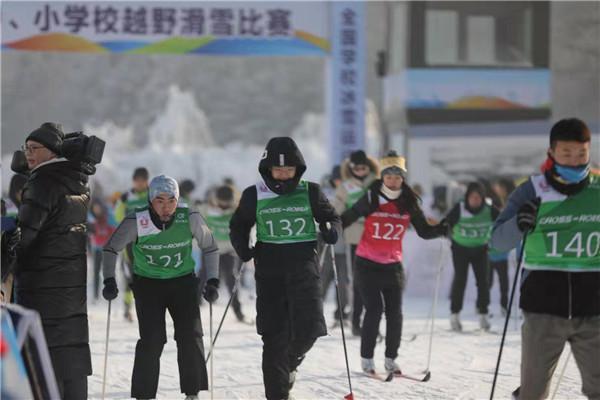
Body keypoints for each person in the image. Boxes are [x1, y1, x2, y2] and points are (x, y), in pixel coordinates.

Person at [490, 118, 600, 400]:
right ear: (551, 153)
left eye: (582, 154)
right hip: (543, 308)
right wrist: (519, 222)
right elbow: (497, 241)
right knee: (533, 392)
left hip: (594, 307)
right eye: (567, 154)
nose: (575, 162)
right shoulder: (532, 190)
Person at [229, 137, 341, 400]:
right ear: (267, 169)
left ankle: (289, 363)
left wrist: (331, 231)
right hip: (270, 272)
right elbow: (239, 225)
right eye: (277, 170)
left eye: (288, 170)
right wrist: (243, 248)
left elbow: (332, 217)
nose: (282, 175)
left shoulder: (310, 192)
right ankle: (277, 391)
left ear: (297, 170)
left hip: (304, 268)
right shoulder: (253, 194)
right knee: (274, 337)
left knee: (311, 328)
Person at [102, 175, 219, 400]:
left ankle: (192, 393)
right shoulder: (137, 220)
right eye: (160, 201)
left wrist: (212, 280)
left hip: (182, 282)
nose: (166, 207)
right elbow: (111, 248)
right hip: (148, 285)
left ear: (178, 200)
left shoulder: (190, 217)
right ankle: (144, 395)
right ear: (150, 200)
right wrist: (109, 279)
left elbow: (210, 248)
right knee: (152, 340)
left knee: (190, 335)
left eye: (171, 201)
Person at [341, 151, 448, 375]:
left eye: (397, 176)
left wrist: (441, 229)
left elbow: (424, 231)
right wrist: (332, 227)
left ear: (403, 178)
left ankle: (390, 359)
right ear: (383, 177)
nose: (392, 180)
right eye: (388, 176)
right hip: (367, 263)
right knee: (374, 309)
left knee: (395, 313)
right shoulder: (372, 197)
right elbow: (349, 216)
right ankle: (367, 359)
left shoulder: (408, 202)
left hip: (392, 266)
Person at [13, 122, 92, 399]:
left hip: (42, 285)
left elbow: (24, 238)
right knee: (70, 354)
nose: (29, 154)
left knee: (42, 360)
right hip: (71, 285)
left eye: (35, 148)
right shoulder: (77, 180)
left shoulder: (42, 182)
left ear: (51, 152)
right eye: (26, 148)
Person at [333, 150, 380, 336]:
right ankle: (356, 320)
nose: (360, 171)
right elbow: (337, 208)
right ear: (351, 169)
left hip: (376, 238)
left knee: (375, 282)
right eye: (357, 168)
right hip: (354, 239)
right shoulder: (346, 186)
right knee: (359, 282)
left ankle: (372, 321)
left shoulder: (376, 184)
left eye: (364, 168)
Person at [444, 181, 500, 331]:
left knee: (483, 281)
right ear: (467, 197)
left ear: (482, 198)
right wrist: (444, 229)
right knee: (460, 279)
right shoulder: (460, 208)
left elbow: (502, 221)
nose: (475, 200)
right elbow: (447, 222)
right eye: (472, 197)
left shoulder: (489, 209)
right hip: (460, 248)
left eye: (478, 198)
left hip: (481, 249)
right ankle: (455, 314)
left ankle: (483, 314)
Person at [200, 183, 248, 322]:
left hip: (229, 250)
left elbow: (245, 225)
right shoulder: (207, 208)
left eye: (226, 203)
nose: (223, 206)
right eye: (221, 203)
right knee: (203, 277)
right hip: (211, 250)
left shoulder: (236, 210)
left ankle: (238, 312)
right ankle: (193, 310)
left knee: (231, 279)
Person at [115, 167, 149, 321]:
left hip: (149, 241)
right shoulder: (126, 197)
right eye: (137, 181)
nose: (140, 184)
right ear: (133, 181)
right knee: (130, 276)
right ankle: (128, 308)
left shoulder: (152, 194)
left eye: (143, 181)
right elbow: (118, 217)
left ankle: (149, 306)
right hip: (130, 241)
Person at [319, 165, 351, 325]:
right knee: (322, 280)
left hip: (343, 247)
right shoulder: (326, 193)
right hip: (326, 246)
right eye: (337, 180)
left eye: (342, 180)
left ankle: (341, 314)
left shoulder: (349, 193)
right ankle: (316, 312)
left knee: (343, 283)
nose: (340, 182)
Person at [487, 178, 516, 316]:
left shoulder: (504, 216)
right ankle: (483, 307)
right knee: (488, 283)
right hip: (489, 255)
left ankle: (504, 307)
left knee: (504, 284)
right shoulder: (489, 218)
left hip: (502, 255)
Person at [88, 199, 116, 301]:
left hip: (107, 250)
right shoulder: (91, 218)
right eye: (95, 208)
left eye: (98, 208)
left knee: (108, 273)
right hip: (96, 249)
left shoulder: (107, 217)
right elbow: (88, 231)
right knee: (96, 272)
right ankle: (95, 295)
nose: (97, 210)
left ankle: (110, 292)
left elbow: (115, 227)